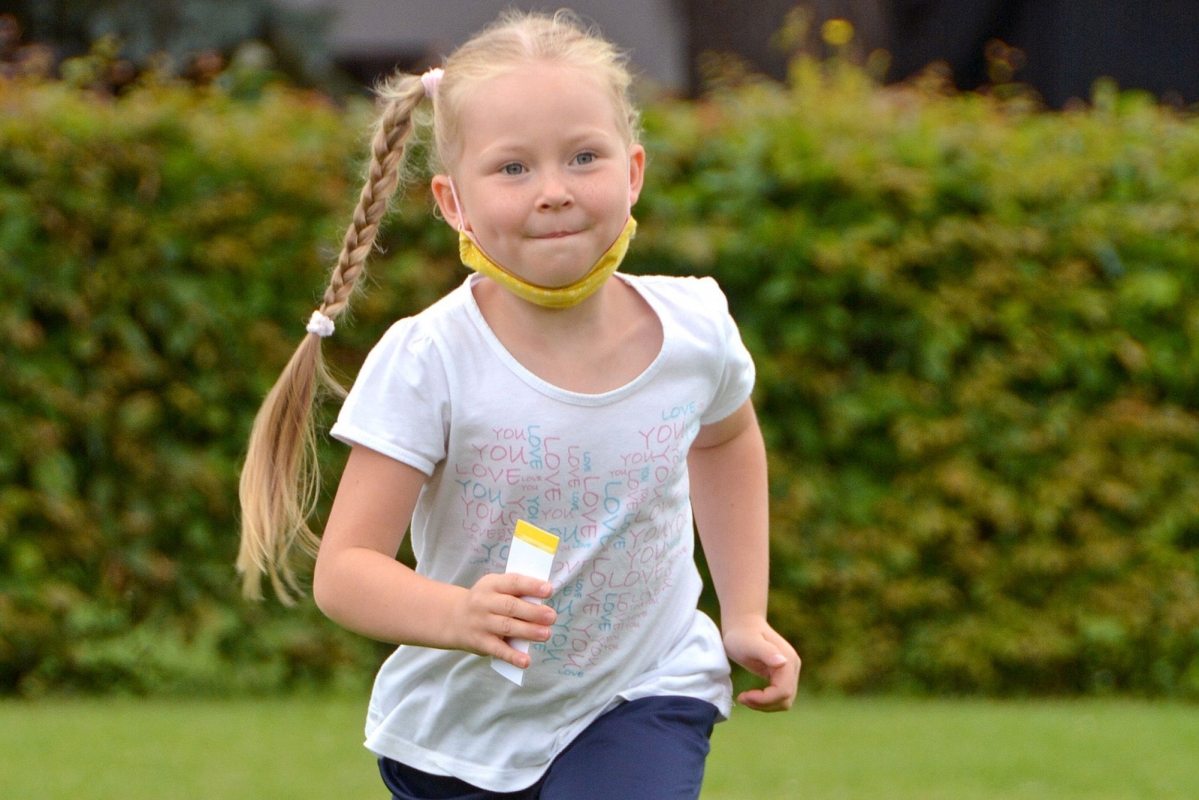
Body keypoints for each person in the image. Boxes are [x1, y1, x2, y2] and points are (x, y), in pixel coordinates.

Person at [237, 10, 799, 799]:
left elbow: (725, 442)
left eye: (583, 157)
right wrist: (458, 614)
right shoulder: (429, 360)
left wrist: (743, 614)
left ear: (633, 171)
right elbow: (345, 572)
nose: (555, 192)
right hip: (458, 738)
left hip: (646, 686)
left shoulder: (695, 329)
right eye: (512, 169)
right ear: (451, 202)